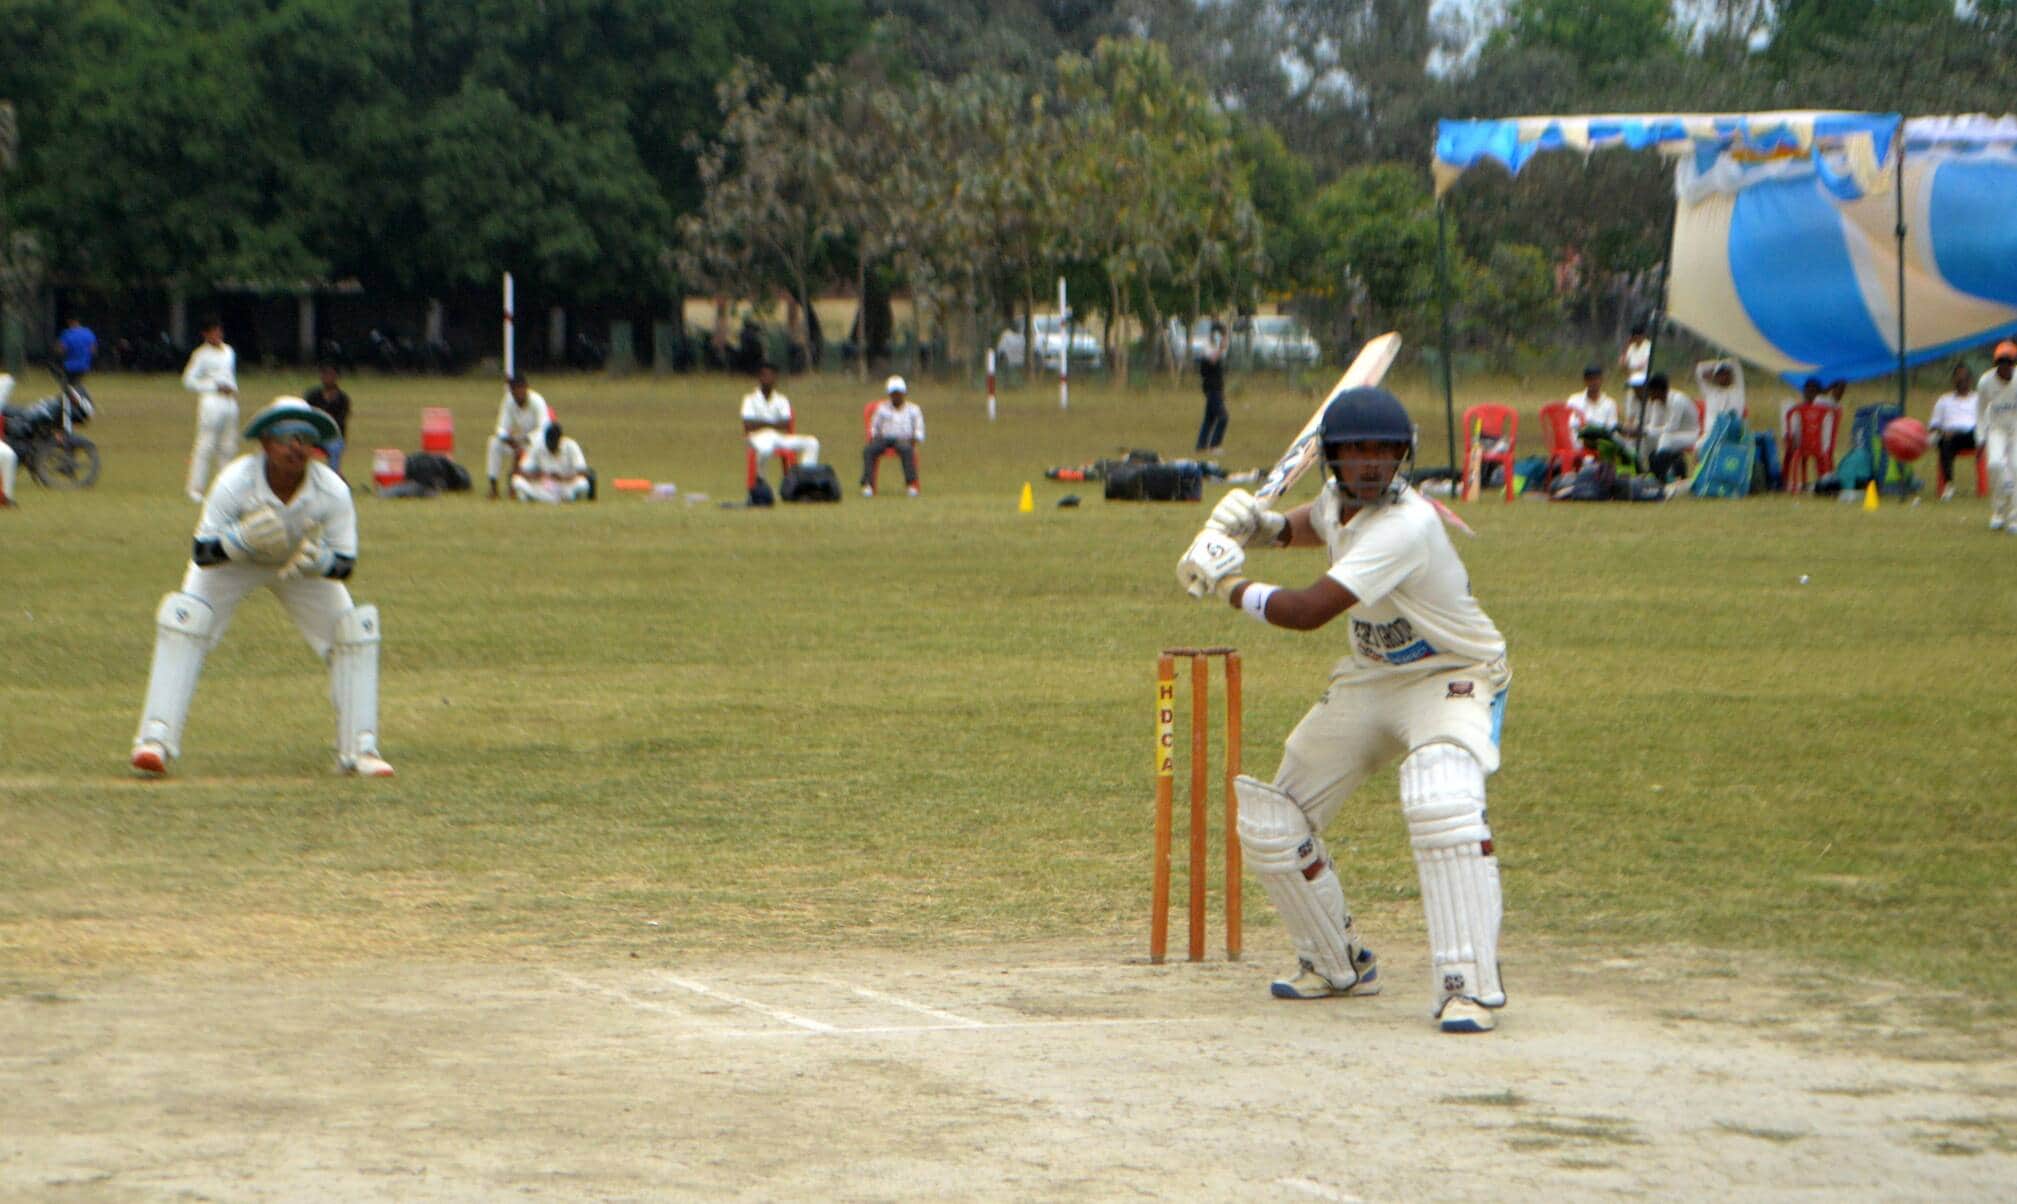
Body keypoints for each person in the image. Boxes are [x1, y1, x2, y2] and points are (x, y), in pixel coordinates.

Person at [1175, 386, 1511, 1034]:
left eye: (1384, 453)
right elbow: (1319, 521)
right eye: (1356, 452)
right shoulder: (1337, 500)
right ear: (1332, 457)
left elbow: (1304, 612)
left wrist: (1227, 584)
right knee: (1275, 819)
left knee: (1439, 798)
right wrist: (1265, 528)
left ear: (1402, 458)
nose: (1370, 465)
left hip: (1452, 677)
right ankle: (1336, 964)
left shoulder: (1406, 525)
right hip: (1371, 677)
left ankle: (1467, 987)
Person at [130, 397, 393, 778]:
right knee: (185, 621)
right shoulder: (237, 480)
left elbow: (345, 563)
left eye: (304, 438)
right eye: (286, 437)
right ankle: (154, 741)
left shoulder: (331, 489)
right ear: (266, 443)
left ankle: (361, 750)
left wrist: (320, 562)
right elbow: (203, 552)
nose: (295, 447)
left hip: (297, 562)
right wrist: (238, 541)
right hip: (234, 562)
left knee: (353, 632)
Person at [181, 318, 239, 502]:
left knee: (228, 447)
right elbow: (188, 381)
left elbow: (229, 374)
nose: (217, 335)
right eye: (213, 332)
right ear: (205, 335)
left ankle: (225, 488)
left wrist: (231, 388)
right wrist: (214, 386)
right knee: (205, 445)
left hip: (230, 402)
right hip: (212, 401)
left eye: (219, 331)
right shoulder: (201, 355)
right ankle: (195, 489)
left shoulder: (229, 351)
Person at [740, 363, 820, 484]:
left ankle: (805, 481)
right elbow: (748, 425)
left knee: (812, 443)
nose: (768, 379)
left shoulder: (781, 399)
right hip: (756, 437)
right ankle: (760, 481)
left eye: (771, 376)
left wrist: (762, 422)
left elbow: (786, 424)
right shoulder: (750, 399)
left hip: (778, 437)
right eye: (765, 375)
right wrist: (773, 422)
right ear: (759, 378)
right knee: (765, 449)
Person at [1624, 372, 1701, 482]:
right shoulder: (1656, 402)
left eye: (1649, 391)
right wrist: (1641, 432)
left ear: (1658, 390)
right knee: (1644, 440)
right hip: (1670, 435)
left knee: (1666, 438)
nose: (1648, 395)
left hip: (1690, 434)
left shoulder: (1677, 400)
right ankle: (1642, 471)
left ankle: (1662, 475)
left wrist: (1646, 431)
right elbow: (1653, 426)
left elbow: (1672, 428)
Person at [487, 373, 551, 499]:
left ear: (526, 388)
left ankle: (517, 484)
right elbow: (500, 427)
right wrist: (506, 438)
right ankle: (493, 486)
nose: (517, 395)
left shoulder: (537, 401)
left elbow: (544, 429)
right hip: (517, 441)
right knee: (494, 443)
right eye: (514, 391)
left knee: (529, 451)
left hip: (535, 443)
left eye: (520, 390)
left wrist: (524, 440)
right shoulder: (509, 401)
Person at [860, 375, 923, 498]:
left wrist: (914, 439)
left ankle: (911, 485)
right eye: (893, 394)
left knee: (907, 451)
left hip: (904, 439)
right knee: (868, 451)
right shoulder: (882, 409)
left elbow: (919, 430)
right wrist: (873, 437)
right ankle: (868, 485)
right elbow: (874, 425)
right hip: (884, 439)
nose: (896, 396)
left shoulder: (913, 410)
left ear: (904, 393)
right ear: (889, 394)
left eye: (898, 393)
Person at [1927, 361, 1979, 501]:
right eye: (1958, 378)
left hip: (1972, 436)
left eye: (1965, 378)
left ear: (1970, 380)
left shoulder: (1978, 399)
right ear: (1954, 380)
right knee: (1944, 442)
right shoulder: (1944, 400)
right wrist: (1943, 431)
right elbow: (1934, 425)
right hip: (1950, 437)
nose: (1962, 382)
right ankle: (1949, 485)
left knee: (1976, 433)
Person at [1979, 341, 2017, 531]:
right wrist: (1979, 438)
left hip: (2015, 429)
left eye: (2008, 362)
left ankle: (2014, 518)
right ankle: (1998, 512)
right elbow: (1979, 411)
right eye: (2001, 362)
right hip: (1996, 429)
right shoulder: (1985, 382)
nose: (2005, 367)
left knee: (2016, 467)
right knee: (1995, 465)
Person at [511, 421, 593, 503]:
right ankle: (550, 499)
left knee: (583, 484)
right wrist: (538, 475)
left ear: (559, 439)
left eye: (553, 442)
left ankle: (551, 499)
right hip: (543, 485)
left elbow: (583, 471)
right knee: (517, 481)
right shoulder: (538, 446)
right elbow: (522, 470)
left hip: (566, 484)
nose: (550, 445)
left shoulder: (571, 446)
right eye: (549, 441)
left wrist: (563, 477)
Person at [303, 361, 352, 475]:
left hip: (333, 436)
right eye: (324, 374)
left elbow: (341, 421)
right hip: (312, 435)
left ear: (337, 377)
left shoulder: (343, 399)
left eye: (331, 374)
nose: (327, 378)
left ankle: (333, 477)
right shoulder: (313, 395)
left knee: (334, 448)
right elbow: (305, 415)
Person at [1692, 358, 1747, 448]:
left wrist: (1721, 364)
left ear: (1731, 375)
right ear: (1715, 377)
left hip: (1731, 435)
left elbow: (1735, 363)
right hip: (1711, 434)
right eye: (1720, 375)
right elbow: (1699, 369)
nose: (1723, 377)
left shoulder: (1737, 390)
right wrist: (1714, 368)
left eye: (1726, 374)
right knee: (1698, 446)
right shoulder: (1710, 392)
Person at [1194, 321, 1229, 454]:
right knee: (1223, 417)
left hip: (1216, 387)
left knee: (1210, 418)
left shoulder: (1216, 348)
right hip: (1211, 387)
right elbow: (1212, 360)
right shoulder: (1208, 346)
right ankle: (1214, 446)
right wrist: (1220, 348)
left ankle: (1201, 445)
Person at [56, 315, 97, 399]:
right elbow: (93, 350)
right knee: (76, 385)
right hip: (84, 365)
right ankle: (78, 400)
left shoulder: (67, 333)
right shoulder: (88, 332)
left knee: (67, 387)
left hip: (69, 366)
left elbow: (61, 349)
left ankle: (73, 403)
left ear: (70, 322)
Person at [1619, 323, 1652, 400]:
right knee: (1630, 398)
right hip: (1632, 377)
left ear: (1643, 336)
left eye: (1638, 336)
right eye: (1634, 337)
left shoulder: (1648, 345)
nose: (1637, 339)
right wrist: (1627, 345)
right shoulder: (1631, 347)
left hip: (1644, 378)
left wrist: (1630, 368)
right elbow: (1623, 363)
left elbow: (1642, 365)